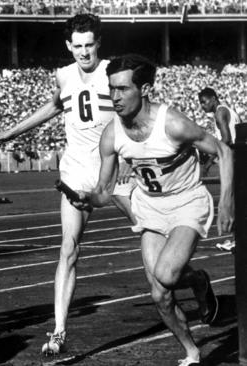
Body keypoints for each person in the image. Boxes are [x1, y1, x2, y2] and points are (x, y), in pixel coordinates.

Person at [0, 13, 135, 355]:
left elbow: (132, 116)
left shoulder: (114, 72)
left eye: (89, 45)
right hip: (76, 170)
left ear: (99, 43)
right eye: (78, 46)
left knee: (154, 243)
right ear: (69, 45)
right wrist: (13, 131)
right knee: (68, 249)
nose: (84, 53)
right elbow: (55, 105)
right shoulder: (64, 74)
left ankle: (194, 282)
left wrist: (128, 156)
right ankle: (58, 331)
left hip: (113, 169)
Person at [78, 54, 231, 366]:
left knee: (164, 274)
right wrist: (87, 199)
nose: (115, 97)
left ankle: (198, 281)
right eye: (112, 89)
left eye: (122, 89)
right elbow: (104, 191)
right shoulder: (112, 133)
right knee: (159, 294)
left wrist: (226, 200)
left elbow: (224, 150)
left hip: (187, 202)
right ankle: (192, 351)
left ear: (145, 89)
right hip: (150, 207)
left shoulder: (172, 124)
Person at [198, 87, 241, 253]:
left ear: (214, 98)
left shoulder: (220, 112)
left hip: (234, 161)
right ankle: (238, 239)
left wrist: (209, 161)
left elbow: (227, 139)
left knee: (233, 201)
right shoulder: (228, 110)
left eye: (204, 101)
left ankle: (237, 240)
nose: (202, 106)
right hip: (238, 158)